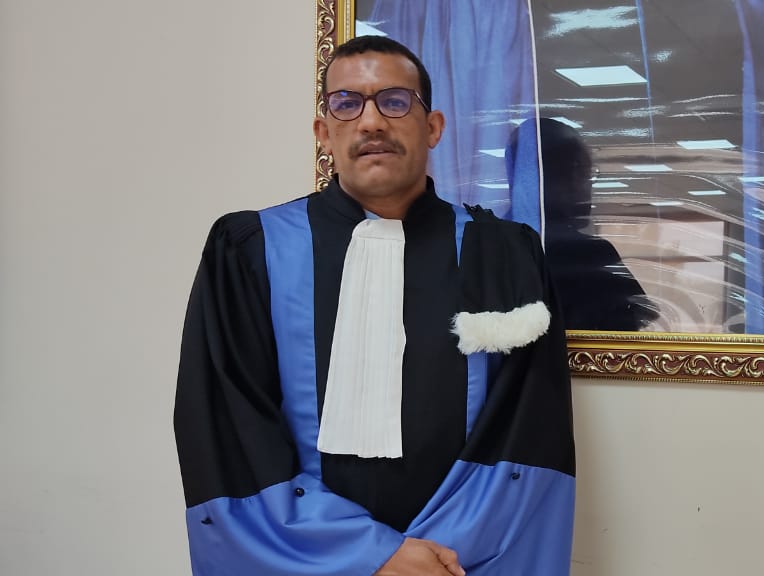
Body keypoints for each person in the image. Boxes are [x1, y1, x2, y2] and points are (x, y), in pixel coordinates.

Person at [173, 36, 575, 576]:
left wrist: (431, 560)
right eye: (347, 103)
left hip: (460, 561)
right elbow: (227, 423)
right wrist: (370, 555)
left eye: (394, 101)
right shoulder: (252, 250)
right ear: (324, 132)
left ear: (433, 127)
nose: (371, 122)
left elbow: (529, 432)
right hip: (305, 556)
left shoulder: (504, 254)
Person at [506, 118, 659, 332]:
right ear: (567, 176)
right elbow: (632, 331)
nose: (589, 185)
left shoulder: (478, 248)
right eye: (588, 173)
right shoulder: (588, 253)